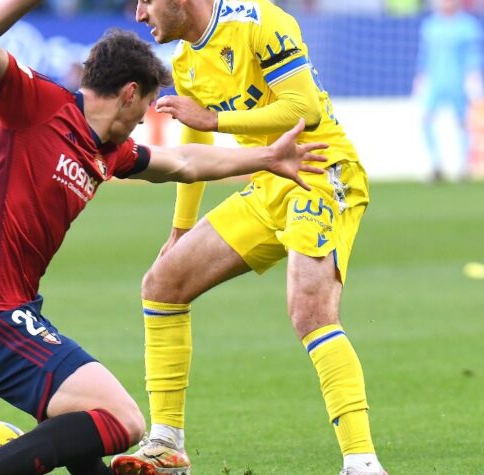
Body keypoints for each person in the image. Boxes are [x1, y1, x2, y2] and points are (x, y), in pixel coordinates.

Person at [0, 0, 328, 473]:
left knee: (85, 421)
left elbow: (183, 164)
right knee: (123, 420)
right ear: (130, 93)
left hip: (6, 308)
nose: (144, 119)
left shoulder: (109, 151)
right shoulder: (37, 104)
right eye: (147, 107)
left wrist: (264, 159)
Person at [111, 1, 387, 475]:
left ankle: (362, 463)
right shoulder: (186, 60)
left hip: (320, 172)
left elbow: (305, 108)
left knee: (309, 310)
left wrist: (215, 121)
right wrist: (179, 229)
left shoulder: (262, 23)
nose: (139, 14)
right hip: (266, 182)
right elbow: (193, 144)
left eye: (146, 0)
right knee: (162, 284)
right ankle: (167, 445)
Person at [414, 0, 484, 182]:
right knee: (426, 121)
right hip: (435, 81)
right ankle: (436, 164)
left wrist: (474, 76)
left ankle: (463, 166)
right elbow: (424, 55)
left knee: (463, 124)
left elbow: (474, 54)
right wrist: (420, 77)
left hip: (458, 81)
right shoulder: (430, 26)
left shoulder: (468, 26)